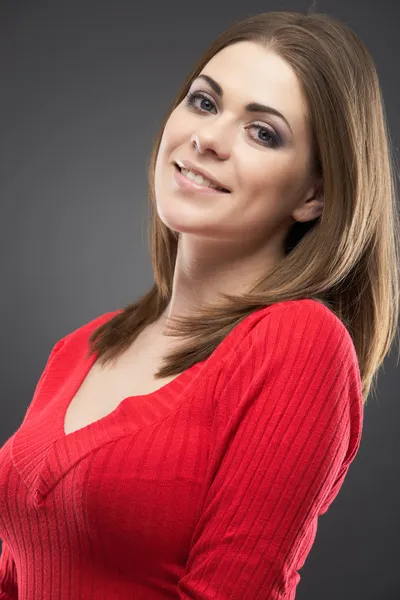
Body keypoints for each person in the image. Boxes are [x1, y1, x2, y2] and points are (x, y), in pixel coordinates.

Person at [0, 9, 398, 600]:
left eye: (263, 132)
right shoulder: (81, 347)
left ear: (314, 194)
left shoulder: (299, 343)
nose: (206, 138)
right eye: (205, 103)